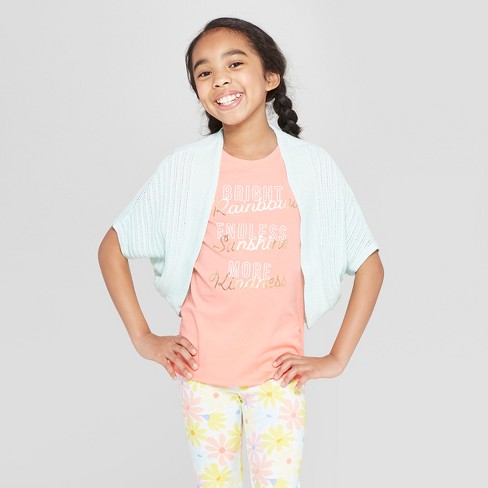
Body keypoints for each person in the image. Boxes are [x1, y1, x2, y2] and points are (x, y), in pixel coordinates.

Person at [98, 17, 384, 488]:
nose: (220, 79)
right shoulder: (184, 170)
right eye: (204, 72)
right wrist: (144, 337)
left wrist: (337, 357)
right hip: (203, 379)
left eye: (235, 64)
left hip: (278, 381)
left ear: (270, 76)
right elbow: (113, 247)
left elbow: (370, 264)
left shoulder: (312, 168)